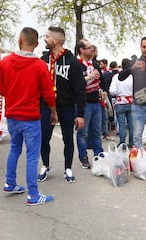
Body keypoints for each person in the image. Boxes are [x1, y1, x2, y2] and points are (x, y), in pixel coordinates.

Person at [0, 27, 58, 205]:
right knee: (32, 155)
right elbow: (48, 94)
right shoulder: (40, 66)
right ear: (37, 44)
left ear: (19, 40)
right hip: (30, 117)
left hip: (12, 115)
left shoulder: (5, 63)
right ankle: (33, 194)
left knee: (15, 149)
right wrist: (54, 112)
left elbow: (1, 90)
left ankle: (10, 182)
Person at [38, 26, 86, 183]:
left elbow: (80, 90)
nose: (44, 39)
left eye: (47, 36)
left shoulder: (73, 62)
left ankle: (68, 168)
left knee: (68, 139)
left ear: (56, 40)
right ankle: (45, 165)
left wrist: (80, 114)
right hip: (46, 106)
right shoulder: (43, 60)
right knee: (44, 138)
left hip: (66, 107)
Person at [76, 39, 104, 168]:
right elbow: (75, 85)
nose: (92, 49)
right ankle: (83, 157)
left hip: (96, 102)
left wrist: (103, 91)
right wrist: (88, 77)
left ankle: (99, 156)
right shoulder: (77, 65)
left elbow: (102, 81)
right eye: (89, 47)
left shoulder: (95, 64)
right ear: (82, 50)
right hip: (84, 103)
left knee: (97, 131)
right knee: (83, 133)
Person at [109, 58, 134, 147]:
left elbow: (112, 91)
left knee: (121, 124)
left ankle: (122, 142)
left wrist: (118, 93)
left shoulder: (116, 77)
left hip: (120, 102)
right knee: (131, 124)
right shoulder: (132, 77)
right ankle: (132, 142)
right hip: (131, 102)